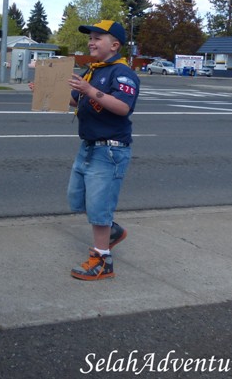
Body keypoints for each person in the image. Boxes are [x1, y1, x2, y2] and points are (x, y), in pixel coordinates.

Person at [66, 20, 139, 281]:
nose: (91, 42)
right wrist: (50, 90)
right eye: (90, 38)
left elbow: (122, 107)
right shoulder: (93, 71)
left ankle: (102, 261)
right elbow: (79, 100)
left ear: (115, 45)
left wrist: (89, 89)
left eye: (98, 37)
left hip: (109, 150)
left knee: (98, 208)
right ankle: (111, 230)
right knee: (78, 199)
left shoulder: (122, 73)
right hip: (88, 147)